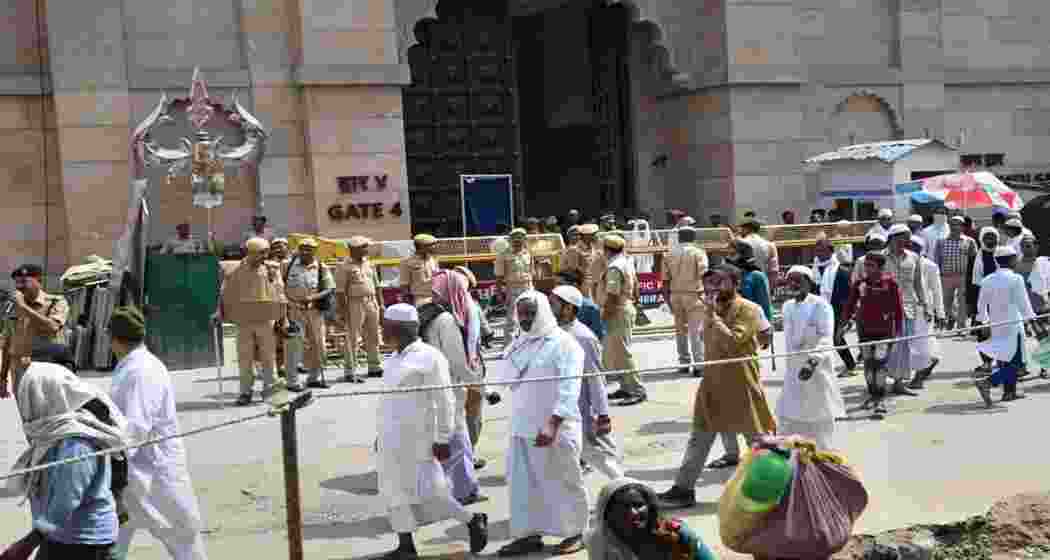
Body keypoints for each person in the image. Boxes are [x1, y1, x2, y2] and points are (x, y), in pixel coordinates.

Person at [658, 265, 777, 508]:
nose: (712, 289)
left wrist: (713, 317)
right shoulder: (710, 311)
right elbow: (705, 339)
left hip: (741, 385)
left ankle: (776, 491)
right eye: (709, 283)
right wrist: (711, 316)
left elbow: (734, 342)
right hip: (712, 384)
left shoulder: (749, 309)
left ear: (736, 283)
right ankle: (683, 489)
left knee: (759, 441)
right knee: (699, 438)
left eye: (720, 282)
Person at [377, 304, 488, 560]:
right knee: (394, 491)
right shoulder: (393, 359)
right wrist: (379, 436)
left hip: (420, 438)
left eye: (387, 325)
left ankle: (472, 519)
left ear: (400, 328)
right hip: (390, 438)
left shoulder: (430, 357)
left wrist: (442, 437)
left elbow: (445, 400)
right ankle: (405, 544)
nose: (383, 330)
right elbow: (386, 402)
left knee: (432, 492)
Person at [106, 307, 209, 560]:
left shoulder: (141, 371)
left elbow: (136, 426)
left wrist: (110, 459)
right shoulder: (132, 366)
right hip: (133, 473)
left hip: (154, 471)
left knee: (183, 537)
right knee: (110, 538)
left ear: (114, 338)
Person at [4, 359, 129, 560]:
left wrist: (26, 544)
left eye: (29, 397)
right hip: (60, 538)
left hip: (85, 544)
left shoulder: (76, 443)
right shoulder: (53, 435)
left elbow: (66, 499)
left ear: (44, 398)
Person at [498, 291, 589, 557]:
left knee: (565, 481)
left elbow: (569, 387)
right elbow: (506, 378)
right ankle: (528, 535)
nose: (525, 319)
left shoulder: (565, 344)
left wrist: (553, 423)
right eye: (521, 313)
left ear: (543, 313)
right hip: (522, 427)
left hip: (556, 429)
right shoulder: (519, 343)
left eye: (530, 313)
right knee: (524, 485)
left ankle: (576, 533)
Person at [418, 270, 483, 505]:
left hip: (430, 386)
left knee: (445, 440)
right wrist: (477, 384)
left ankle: (449, 490)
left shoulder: (428, 313)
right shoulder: (446, 320)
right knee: (458, 439)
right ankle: (463, 491)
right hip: (449, 387)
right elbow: (457, 361)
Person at [551, 285, 624, 481]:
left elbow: (596, 378)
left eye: (554, 304)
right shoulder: (554, 332)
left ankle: (625, 486)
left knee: (595, 453)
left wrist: (602, 414)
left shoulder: (583, 337)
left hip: (580, 409)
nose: (550, 307)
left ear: (568, 308)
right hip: (558, 408)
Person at [778, 266, 846, 450]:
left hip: (816, 368)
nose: (793, 284)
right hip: (793, 368)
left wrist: (812, 362)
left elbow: (826, 337)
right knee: (790, 414)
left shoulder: (821, 305)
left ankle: (823, 456)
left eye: (797, 280)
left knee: (819, 416)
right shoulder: (787, 306)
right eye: (790, 280)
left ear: (809, 282)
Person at [974, 246, 1046, 406]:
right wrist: (1033, 321)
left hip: (997, 325)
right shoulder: (1016, 279)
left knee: (1004, 359)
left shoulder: (987, 280)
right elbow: (1024, 304)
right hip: (1013, 325)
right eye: (1015, 258)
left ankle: (1009, 392)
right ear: (1012, 260)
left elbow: (981, 304)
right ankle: (988, 382)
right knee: (1017, 363)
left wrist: (983, 321)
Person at [215, 238, 284, 405]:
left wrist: (284, 318)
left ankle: (271, 389)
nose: (265, 256)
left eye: (266, 252)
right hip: (243, 320)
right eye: (261, 253)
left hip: (266, 319)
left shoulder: (271, 269)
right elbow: (224, 293)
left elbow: (280, 294)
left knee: (268, 357)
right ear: (249, 253)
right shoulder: (233, 270)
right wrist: (219, 312)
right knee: (245, 358)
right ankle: (245, 391)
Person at [588, 478, 718, 560]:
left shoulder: (677, 533)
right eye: (623, 507)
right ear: (607, 513)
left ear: (650, 507)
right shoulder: (600, 541)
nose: (632, 513)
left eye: (638, 505)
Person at [841, 252, 904, 418]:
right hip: (864, 331)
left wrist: (898, 331)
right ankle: (872, 395)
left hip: (885, 332)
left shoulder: (890, 283)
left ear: (880, 267)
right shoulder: (859, 284)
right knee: (869, 365)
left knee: (880, 364)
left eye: (871, 265)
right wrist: (843, 324)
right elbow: (849, 305)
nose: (867, 268)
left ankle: (880, 400)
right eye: (866, 265)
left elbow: (898, 309)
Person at [1, 264, 68, 399]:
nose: (20, 287)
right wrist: (2, 377)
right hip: (19, 370)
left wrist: (24, 307)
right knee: (26, 416)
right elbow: (8, 343)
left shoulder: (56, 302)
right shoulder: (12, 307)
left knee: (49, 412)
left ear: (39, 281)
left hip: (46, 368)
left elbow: (53, 327)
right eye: (17, 283)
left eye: (24, 282)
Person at [283, 237, 335, 390]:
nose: (306, 251)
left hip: (314, 312)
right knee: (294, 346)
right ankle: (292, 382)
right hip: (294, 311)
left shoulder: (321, 266)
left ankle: (314, 378)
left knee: (319, 346)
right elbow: (278, 286)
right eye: (303, 248)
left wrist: (312, 297)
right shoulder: (287, 265)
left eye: (309, 249)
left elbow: (329, 288)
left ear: (315, 251)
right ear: (298, 250)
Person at [882, 224, 927, 396]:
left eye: (907, 239)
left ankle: (899, 382)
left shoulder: (914, 257)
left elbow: (918, 283)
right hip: (885, 308)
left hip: (908, 307)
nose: (905, 242)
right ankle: (879, 381)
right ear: (892, 239)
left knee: (904, 346)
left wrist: (925, 304)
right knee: (885, 346)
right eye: (902, 239)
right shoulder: (880, 258)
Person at [602, 234, 647, 406]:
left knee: (623, 352)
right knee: (617, 352)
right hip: (625, 307)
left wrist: (604, 316)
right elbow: (636, 286)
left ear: (607, 250)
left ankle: (636, 389)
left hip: (618, 310)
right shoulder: (626, 261)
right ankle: (625, 387)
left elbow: (612, 296)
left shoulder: (614, 267)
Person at [661, 226, 708, 375]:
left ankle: (683, 363)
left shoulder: (668, 254)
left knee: (680, 331)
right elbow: (704, 275)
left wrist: (667, 299)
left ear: (679, 237)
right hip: (694, 294)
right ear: (693, 238)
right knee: (696, 331)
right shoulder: (698, 253)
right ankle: (699, 365)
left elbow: (665, 280)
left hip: (675, 295)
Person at [340, 236, 384, 383]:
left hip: (371, 301)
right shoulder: (344, 266)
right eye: (364, 247)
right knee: (353, 338)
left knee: (373, 334)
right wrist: (343, 311)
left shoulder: (368, 263)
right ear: (354, 249)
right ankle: (350, 371)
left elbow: (377, 285)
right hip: (354, 303)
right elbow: (340, 292)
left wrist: (381, 304)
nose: (367, 249)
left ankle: (374, 366)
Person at [907, 236, 944, 390]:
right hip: (906, 308)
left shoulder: (930, 266)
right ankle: (930, 361)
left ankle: (919, 377)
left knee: (922, 344)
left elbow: (937, 291)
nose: (912, 248)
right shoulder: (904, 263)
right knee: (911, 343)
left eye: (916, 246)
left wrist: (940, 313)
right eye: (910, 245)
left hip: (924, 311)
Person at [934, 216, 978, 330]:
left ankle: (961, 327)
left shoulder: (969, 241)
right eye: (952, 224)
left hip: (963, 277)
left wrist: (972, 277)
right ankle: (952, 316)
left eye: (958, 224)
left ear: (963, 227)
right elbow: (937, 259)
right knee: (945, 302)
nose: (955, 227)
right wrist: (937, 275)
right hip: (945, 276)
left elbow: (974, 259)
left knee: (962, 303)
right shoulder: (941, 241)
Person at [495, 228, 535, 349]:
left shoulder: (528, 253)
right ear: (511, 240)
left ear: (524, 240)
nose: (518, 242)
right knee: (512, 319)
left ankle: (530, 344)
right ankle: (509, 346)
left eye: (521, 240)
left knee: (531, 316)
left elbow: (531, 272)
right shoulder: (503, 255)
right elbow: (499, 277)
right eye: (515, 240)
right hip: (512, 288)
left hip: (528, 287)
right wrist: (499, 293)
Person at [972, 227, 1002, 372]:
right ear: (982, 239)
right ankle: (986, 362)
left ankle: (1003, 362)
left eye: (993, 237)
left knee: (1001, 331)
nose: (990, 240)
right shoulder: (976, 256)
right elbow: (971, 282)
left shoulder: (1003, 254)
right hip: (982, 299)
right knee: (983, 333)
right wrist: (972, 304)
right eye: (987, 237)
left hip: (1001, 299)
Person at [828, 247, 859, 377]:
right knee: (835, 339)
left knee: (837, 339)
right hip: (829, 309)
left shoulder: (841, 272)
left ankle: (850, 365)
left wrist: (847, 317)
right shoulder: (822, 269)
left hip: (839, 310)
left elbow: (847, 296)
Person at [730, 241, 772, 324]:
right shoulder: (729, 276)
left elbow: (764, 306)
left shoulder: (756, 276)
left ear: (744, 255)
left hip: (752, 325)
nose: (728, 257)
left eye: (732, 254)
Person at [557, 270, 606, 340]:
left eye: (560, 284)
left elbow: (597, 337)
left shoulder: (591, 309)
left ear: (574, 285)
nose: (556, 287)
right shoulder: (553, 305)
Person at [399, 234, 440, 307]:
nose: (434, 247)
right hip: (419, 299)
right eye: (431, 245)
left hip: (436, 298)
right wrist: (408, 304)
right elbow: (404, 285)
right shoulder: (407, 262)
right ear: (422, 247)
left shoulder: (433, 259)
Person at [563, 223, 602, 299]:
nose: (596, 236)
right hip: (584, 285)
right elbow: (573, 270)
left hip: (596, 283)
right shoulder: (574, 250)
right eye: (593, 234)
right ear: (586, 236)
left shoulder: (594, 248)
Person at [737, 217, 779, 285]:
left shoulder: (738, 244)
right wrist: (770, 288)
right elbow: (774, 271)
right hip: (762, 284)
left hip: (743, 284)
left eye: (741, 228)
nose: (740, 231)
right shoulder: (770, 245)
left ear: (747, 229)